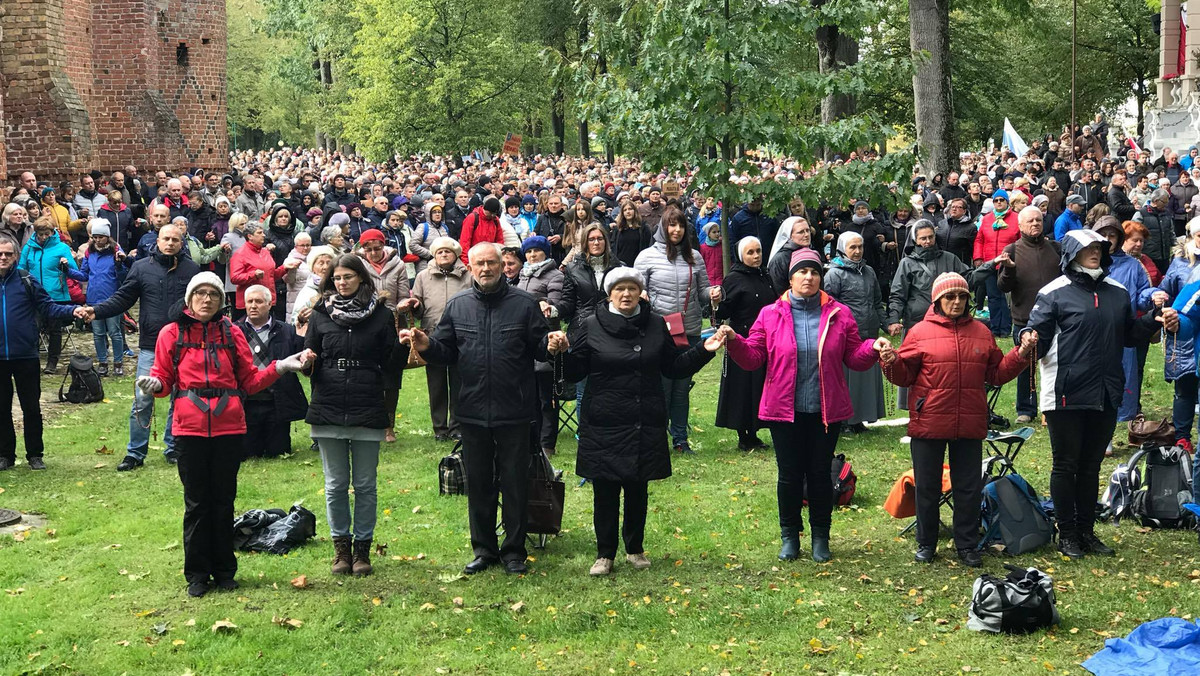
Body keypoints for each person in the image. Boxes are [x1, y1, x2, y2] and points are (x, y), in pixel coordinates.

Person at [137, 271, 309, 596]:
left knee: (224, 500)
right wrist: (155, 386)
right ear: (189, 299)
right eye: (200, 293)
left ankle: (225, 570)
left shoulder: (231, 333)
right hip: (189, 430)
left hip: (229, 428)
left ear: (222, 300)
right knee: (197, 503)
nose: (206, 299)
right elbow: (163, 376)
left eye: (213, 294)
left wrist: (280, 367)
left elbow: (250, 380)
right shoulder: (171, 333)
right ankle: (198, 575)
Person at [402, 242, 566, 576]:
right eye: (480, 264)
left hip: (515, 410)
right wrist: (427, 345)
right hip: (473, 411)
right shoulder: (458, 305)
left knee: (515, 482)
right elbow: (446, 350)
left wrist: (552, 344)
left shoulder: (523, 304)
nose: (486, 269)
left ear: (503, 265)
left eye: (492, 262)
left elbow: (539, 348)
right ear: (471, 266)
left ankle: (514, 551)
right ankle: (484, 549)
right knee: (479, 484)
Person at [722, 248, 885, 562]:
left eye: (814, 272)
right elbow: (754, 357)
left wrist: (872, 347)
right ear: (791, 277)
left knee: (821, 474)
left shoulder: (839, 313)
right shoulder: (770, 314)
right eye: (802, 272)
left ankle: (821, 537)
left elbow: (854, 356)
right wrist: (734, 341)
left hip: (825, 410)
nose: (808, 277)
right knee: (789, 475)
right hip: (784, 410)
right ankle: (789, 535)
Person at [1024, 229, 1177, 559]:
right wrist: (1027, 338)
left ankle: (1086, 531)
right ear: (1071, 253)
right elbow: (1033, 335)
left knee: (1091, 465)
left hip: (1106, 389)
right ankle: (1066, 534)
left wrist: (1153, 318)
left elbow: (1130, 336)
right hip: (1065, 389)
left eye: (1099, 248)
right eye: (1088, 248)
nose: (1095, 252)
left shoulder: (1117, 292)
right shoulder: (1053, 293)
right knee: (1066, 465)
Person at [562, 267, 724, 576]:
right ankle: (605, 554)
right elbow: (575, 372)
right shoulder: (591, 325)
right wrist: (562, 353)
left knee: (637, 488)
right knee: (606, 490)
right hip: (604, 420)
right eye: (619, 288)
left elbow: (673, 367)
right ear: (609, 293)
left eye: (632, 288)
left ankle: (635, 548)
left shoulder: (655, 324)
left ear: (640, 292)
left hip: (643, 417)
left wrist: (703, 350)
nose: (626, 294)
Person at [881, 272, 1034, 566]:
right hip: (930, 421)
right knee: (927, 486)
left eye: (962, 297)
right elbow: (904, 376)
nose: (956, 302)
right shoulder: (919, 332)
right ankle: (926, 543)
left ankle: (967, 544)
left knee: (968, 487)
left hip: (969, 420)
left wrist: (1021, 353)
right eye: (950, 297)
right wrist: (891, 361)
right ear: (937, 300)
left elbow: (996, 373)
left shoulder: (981, 331)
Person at [304, 254, 403, 577]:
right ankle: (340, 550)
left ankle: (362, 549)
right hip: (328, 402)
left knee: (364, 483)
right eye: (337, 278)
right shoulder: (320, 314)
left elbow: (390, 365)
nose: (342, 282)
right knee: (334, 484)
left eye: (348, 276)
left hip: (367, 401)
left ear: (361, 278)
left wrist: (403, 345)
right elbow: (310, 359)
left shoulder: (381, 315)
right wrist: (306, 361)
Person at [86, 223, 200, 471]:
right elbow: (122, 298)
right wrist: (96, 311)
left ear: (182, 243)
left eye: (175, 240)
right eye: (166, 239)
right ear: (157, 241)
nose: (170, 243)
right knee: (142, 399)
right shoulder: (140, 268)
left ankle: (174, 448)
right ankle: (135, 452)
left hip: (185, 344)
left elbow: (202, 305)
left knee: (181, 398)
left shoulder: (192, 270)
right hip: (151, 345)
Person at [635, 205, 720, 454]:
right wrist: (642, 296)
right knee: (661, 387)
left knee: (682, 387)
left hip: (690, 328)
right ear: (663, 227)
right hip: (658, 331)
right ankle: (657, 437)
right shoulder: (646, 257)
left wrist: (715, 293)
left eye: (681, 225)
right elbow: (636, 291)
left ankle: (680, 439)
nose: (677, 229)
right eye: (672, 225)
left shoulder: (694, 256)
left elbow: (703, 292)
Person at [0, 234, 78, 470]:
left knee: (31, 407)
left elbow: (48, 307)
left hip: (25, 354)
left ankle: (35, 454)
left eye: (8, 254)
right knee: (1, 408)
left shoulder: (27, 280)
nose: (3, 257)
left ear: (16, 257)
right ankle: (5, 455)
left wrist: (73, 311)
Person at [996, 206, 1061, 424]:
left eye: (1038, 220)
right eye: (1030, 221)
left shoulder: (1055, 248)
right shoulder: (1012, 249)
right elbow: (1003, 287)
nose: (1035, 224)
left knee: (1056, 363)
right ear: (1020, 225)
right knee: (1025, 365)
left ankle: (1052, 407)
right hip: (1024, 319)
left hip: (1056, 318)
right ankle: (1026, 408)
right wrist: (1009, 268)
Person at [1142, 218, 1200, 451]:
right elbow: (1163, 289)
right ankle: (1182, 436)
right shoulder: (1180, 263)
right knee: (1184, 386)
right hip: (1181, 332)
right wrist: (1157, 298)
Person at [713, 236, 774, 450]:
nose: (756, 256)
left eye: (758, 251)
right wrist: (716, 303)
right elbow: (722, 312)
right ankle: (743, 434)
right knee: (741, 387)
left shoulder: (765, 274)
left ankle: (755, 430)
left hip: (765, 338)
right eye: (750, 252)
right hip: (742, 339)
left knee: (759, 386)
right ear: (741, 255)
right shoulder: (734, 279)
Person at [235, 285, 308, 459]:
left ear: (270, 304)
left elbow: (302, 364)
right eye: (250, 302)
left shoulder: (287, 331)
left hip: (277, 402)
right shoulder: (234, 331)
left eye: (258, 301)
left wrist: (300, 336)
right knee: (248, 453)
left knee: (278, 451)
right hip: (247, 402)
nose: (253, 305)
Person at [824, 232, 886, 434]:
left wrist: (887, 324)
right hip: (846, 335)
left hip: (869, 331)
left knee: (864, 378)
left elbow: (877, 302)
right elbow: (828, 306)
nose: (858, 251)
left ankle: (859, 417)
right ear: (842, 249)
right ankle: (843, 420)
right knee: (846, 379)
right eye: (853, 247)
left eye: (860, 246)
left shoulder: (868, 271)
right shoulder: (834, 274)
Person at [409, 237, 470, 441]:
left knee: (459, 382)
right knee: (436, 385)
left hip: (460, 337)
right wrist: (414, 305)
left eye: (448, 252)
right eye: (440, 252)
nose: (444, 255)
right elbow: (417, 305)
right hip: (432, 336)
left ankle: (457, 427)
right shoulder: (423, 276)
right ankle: (440, 429)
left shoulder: (468, 275)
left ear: (455, 254)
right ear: (434, 255)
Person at [355, 228, 411, 443]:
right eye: (368, 249)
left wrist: (401, 306)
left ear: (383, 245)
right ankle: (369, 421)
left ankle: (389, 425)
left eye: (377, 248)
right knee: (368, 375)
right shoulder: (358, 264)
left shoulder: (398, 264)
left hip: (393, 322)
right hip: (366, 321)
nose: (373, 253)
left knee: (392, 375)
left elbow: (404, 293)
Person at [516, 236, 564, 456]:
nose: (532, 255)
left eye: (536, 251)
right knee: (529, 395)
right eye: (528, 252)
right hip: (524, 338)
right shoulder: (523, 274)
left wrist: (543, 304)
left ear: (545, 252)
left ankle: (547, 442)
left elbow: (554, 303)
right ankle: (532, 439)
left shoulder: (555, 275)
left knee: (547, 397)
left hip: (545, 335)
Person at [19, 219, 81, 374]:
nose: (44, 237)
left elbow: (74, 270)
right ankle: (31, 359)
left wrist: (65, 264)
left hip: (56, 295)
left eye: (47, 233)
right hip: (34, 295)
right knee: (33, 327)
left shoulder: (61, 247)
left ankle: (52, 362)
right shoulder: (29, 248)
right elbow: (21, 268)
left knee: (55, 330)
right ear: (36, 233)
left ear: (53, 232)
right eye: (40, 234)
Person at [77, 220, 129, 377]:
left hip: (112, 299)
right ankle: (102, 362)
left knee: (115, 331)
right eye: (95, 237)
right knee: (98, 333)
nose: (97, 240)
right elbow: (84, 274)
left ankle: (118, 362)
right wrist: (68, 270)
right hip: (93, 299)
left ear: (107, 237)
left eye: (100, 237)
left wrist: (120, 264)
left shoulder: (116, 252)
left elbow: (123, 277)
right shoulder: (89, 252)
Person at [973, 189, 1019, 337]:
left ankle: (1005, 328)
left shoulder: (1016, 218)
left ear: (1007, 202)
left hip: (1008, 264)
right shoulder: (986, 219)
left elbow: (1020, 241)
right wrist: (978, 258)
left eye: (1002, 200)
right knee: (992, 297)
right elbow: (979, 240)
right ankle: (994, 328)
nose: (999, 202)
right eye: (996, 200)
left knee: (1005, 298)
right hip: (990, 263)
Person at [229, 223, 288, 322]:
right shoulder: (240, 254)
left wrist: (285, 268)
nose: (264, 235)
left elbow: (271, 275)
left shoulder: (265, 252)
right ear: (250, 236)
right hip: (249, 305)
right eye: (260, 233)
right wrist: (253, 275)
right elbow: (234, 277)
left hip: (268, 300)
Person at [291, 245, 336, 332]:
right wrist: (301, 319)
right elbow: (295, 320)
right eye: (321, 263)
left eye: (329, 263)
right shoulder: (308, 292)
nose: (325, 267)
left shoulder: (339, 286)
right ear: (313, 268)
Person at [459, 197, 505, 265]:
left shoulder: (495, 220)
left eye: (494, 213)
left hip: (490, 258)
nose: (492, 215)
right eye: (490, 213)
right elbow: (465, 242)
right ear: (485, 209)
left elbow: (499, 240)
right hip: (475, 258)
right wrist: (466, 262)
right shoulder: (472, 218)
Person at [610, 199, 652, 266]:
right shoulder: (618, 228)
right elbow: (613, 247)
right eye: (625, 210)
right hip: (621, 265)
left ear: (635, 211)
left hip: (638, 264)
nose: (628, 212)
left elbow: (648, 246)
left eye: (630, 209)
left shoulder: (643, 228)